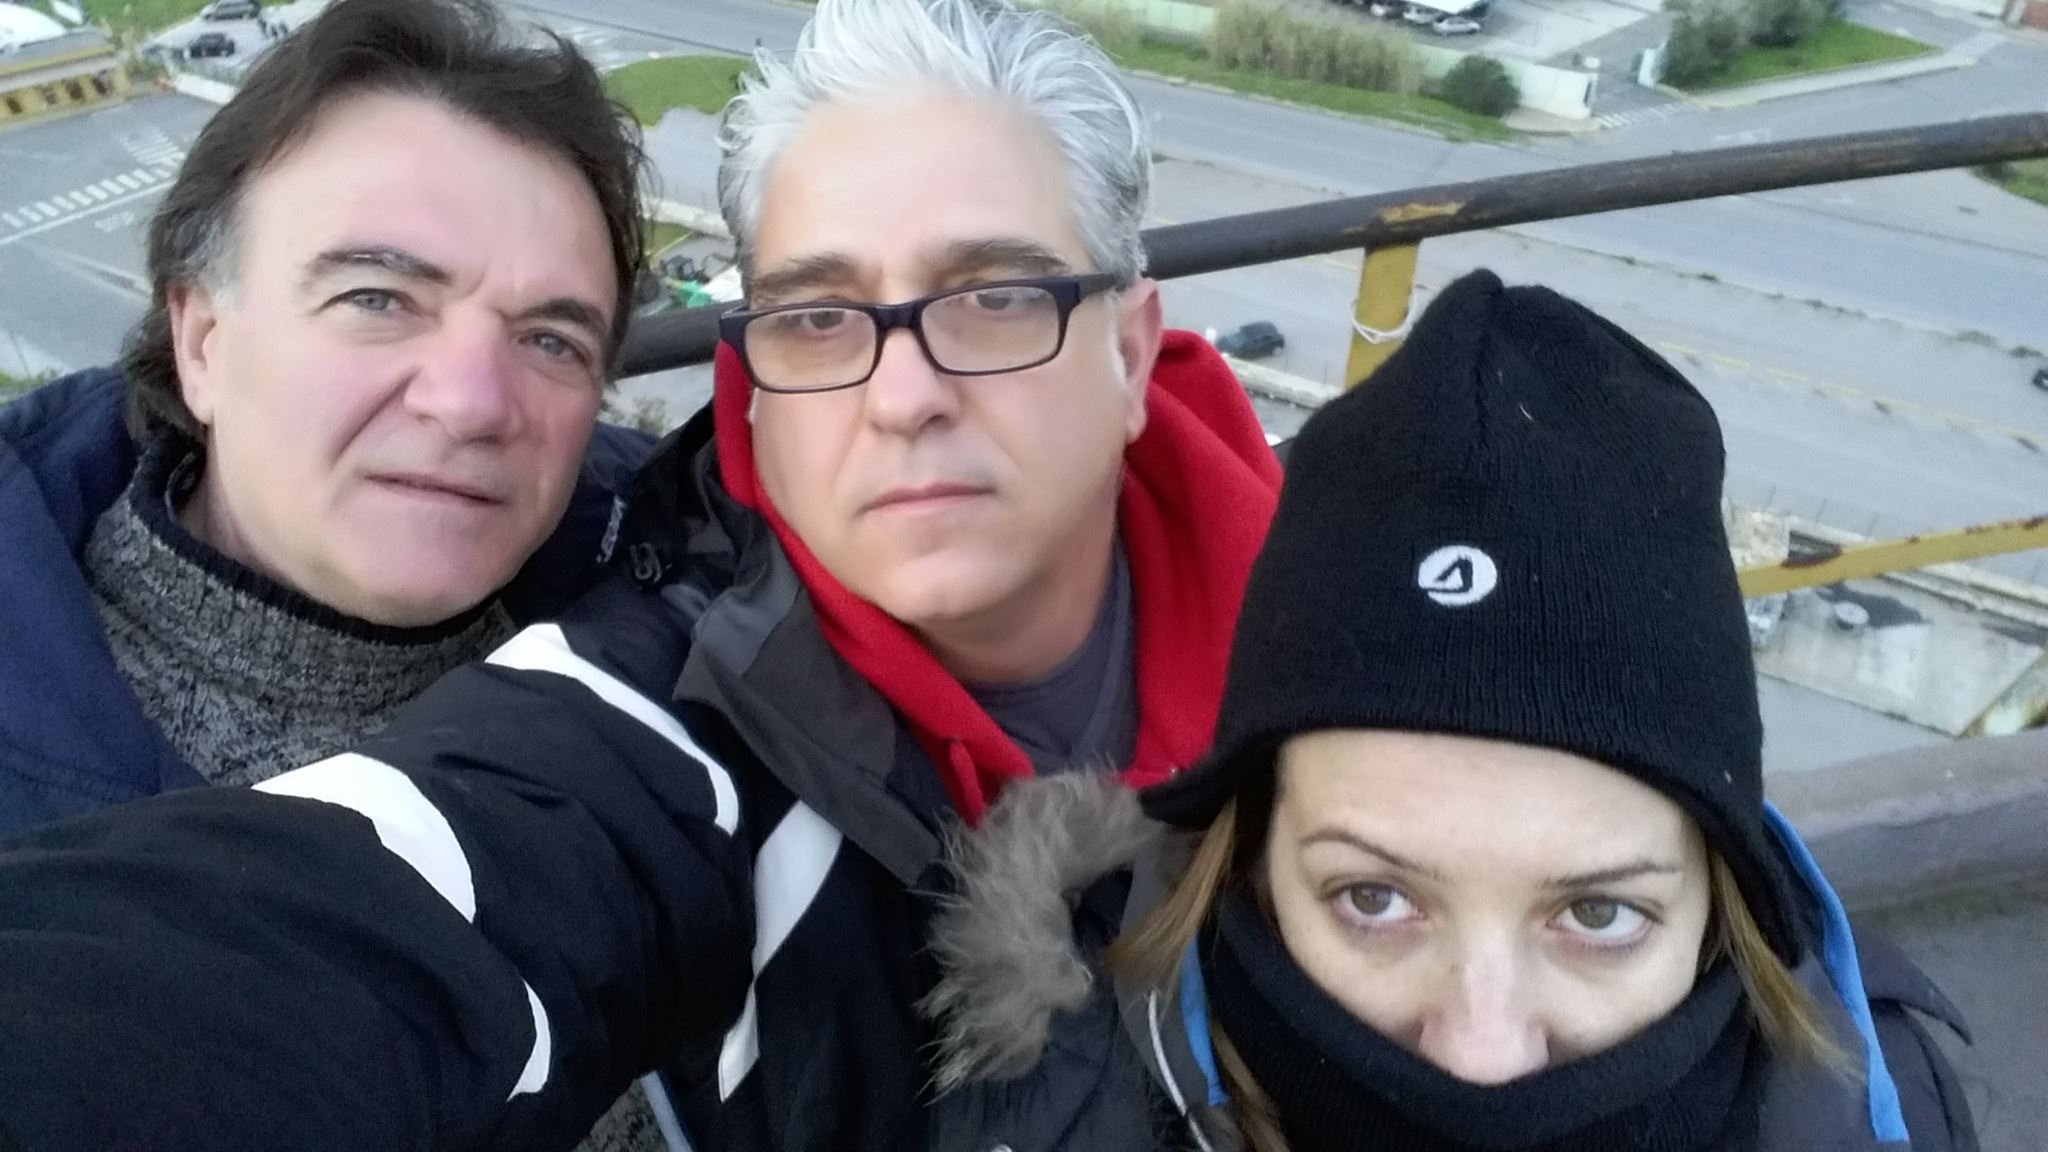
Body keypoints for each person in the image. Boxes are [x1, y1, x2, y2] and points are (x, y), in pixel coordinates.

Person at [0, 1, 1280, 1149]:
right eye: (379, 298)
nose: (470, 400)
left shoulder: (645, 553)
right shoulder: (658, 689)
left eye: (552, 337)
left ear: (1129, 353)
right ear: (199, 336)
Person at [917, 270, 1978, 1152]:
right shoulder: (1045, 1103)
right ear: (1246, 859)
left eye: (1598, 916)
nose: (1481, 1055)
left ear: (1718, 897)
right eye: (1372, 898)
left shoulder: (1890, 1103)